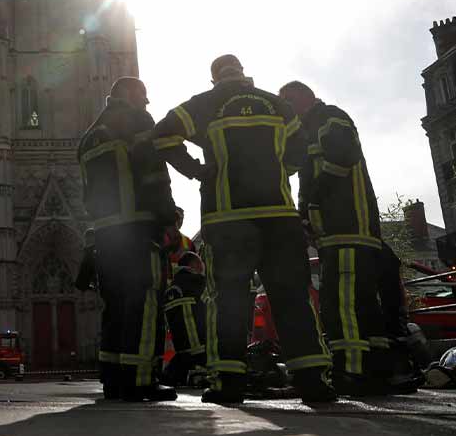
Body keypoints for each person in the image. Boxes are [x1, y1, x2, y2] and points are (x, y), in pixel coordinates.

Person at [151, 55, 335, 404]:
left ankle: (229, 382)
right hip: (279, 217)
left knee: (228, 300)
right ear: (243, 73)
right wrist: (278, 172)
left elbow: (161, 135)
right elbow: (300, 153)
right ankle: (313, 380)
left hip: (228, 219)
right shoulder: (278, 105)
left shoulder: (206, 103)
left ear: (214, 78)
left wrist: (195, 170)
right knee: (293, 298)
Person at [279, 80, 394, 395]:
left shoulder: (329, 117)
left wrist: (313, 202)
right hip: (342, 232)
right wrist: (306, 216)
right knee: (363, 303)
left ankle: (349, 371)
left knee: (340, 303)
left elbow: (342, 157)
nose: (287, 109)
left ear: (304, 98)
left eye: (288, 102)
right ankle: (378, 370)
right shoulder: (309, 130)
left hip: (346, 228)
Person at [78, 77, 179, 402]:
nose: (146, 103)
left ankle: (113, 380)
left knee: (115, 306)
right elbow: (154, 174)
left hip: (106, 236)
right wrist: (168, 218)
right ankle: (140, 379)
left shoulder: (89, 137)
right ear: (129, 95)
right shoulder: (136, 121)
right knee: (144, 302)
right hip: (138, 229)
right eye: (143, 96)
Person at [162, 251, 208, 386]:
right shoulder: (197, 281)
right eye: (200, 263)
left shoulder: (173, 286)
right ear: (194, 264)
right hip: (201, 347)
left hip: (181, 347)